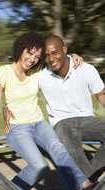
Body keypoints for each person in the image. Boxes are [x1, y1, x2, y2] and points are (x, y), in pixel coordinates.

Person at [0, 32, 93, 190]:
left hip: (39, 124)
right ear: (21, 49)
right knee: (39, 166)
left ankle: (85, 188)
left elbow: (57, 61)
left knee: (59, 149)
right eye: (30, 52)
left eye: (37, 56)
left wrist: (72, 56)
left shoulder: (37, 73)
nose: (32, 58)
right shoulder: (4, 72)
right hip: (18, 129)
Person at [39, 34, 105, 177]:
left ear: (64, 50)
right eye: (47, 55)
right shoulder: (41, 76)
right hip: (61, 123)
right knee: (72, 148)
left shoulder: (85, 69)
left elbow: (101, 94)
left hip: (87, 119)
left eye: (55, 53)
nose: (51, 59)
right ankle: (90, 189)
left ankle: (89, 179)